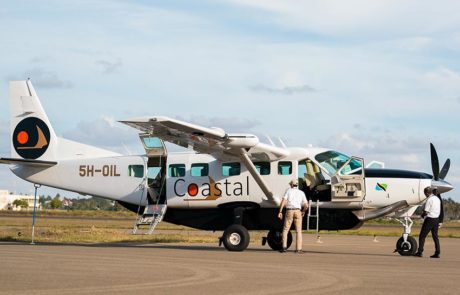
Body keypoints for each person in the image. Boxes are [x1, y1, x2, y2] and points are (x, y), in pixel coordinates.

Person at [278, 179, 308, 253]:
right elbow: (306, 205)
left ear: (291, 184)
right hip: (298, 211)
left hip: (290, 211)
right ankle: (298, 249)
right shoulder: (301, 192)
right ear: (297, 185)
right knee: (298, 231)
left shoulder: (288, 191)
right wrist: (303, 211)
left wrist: (280, 211)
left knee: (285, 229)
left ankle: (284, 247)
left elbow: (283, 201)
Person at [414, 187, 443, 258]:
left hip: (430, 219)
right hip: (436, 219)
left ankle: (420, 252)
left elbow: (426, 211)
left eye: (425, 193)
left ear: (427, 193)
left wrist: (421, 217)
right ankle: (437, 252)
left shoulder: (429, 200)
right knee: (435, 236)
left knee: (422, 236)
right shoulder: (437, 199)